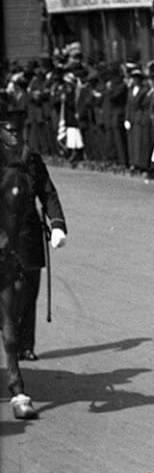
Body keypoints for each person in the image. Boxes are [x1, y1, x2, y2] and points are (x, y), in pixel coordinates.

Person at [0, 99, 67, 389]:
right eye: (8, 130)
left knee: (28, 289)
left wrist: (57, 225)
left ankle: (25, 343)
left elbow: (48, 192)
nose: (14, 134)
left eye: (18, 129)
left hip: (26, 232)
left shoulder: (31, 158)